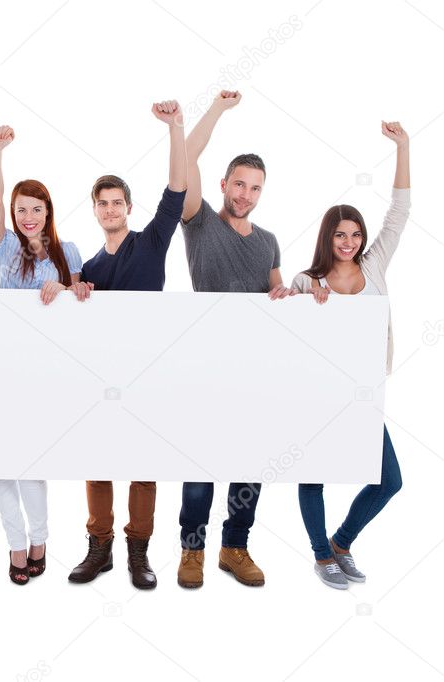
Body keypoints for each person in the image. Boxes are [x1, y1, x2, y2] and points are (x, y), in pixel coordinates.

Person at [63, 100, 187, 590]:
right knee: (96, 462)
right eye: (103, 203)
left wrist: (175, 128)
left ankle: (139, 553)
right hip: (100, 380)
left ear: (128, 209)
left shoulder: (152, 241)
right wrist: (74, 287)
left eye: (118, 202)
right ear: (94, 210)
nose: (111, 209)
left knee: (142, 467)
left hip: (148, 374)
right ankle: (100, 549)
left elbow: (176, 189)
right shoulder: (89, 269)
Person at [176, 91, 289, 590]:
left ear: (262, 194)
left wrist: (284, 293)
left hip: (258, 371)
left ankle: (234, 547)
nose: (244, 194)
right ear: (224, 184)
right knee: (201, 463)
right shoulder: (198, 221)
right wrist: (217, 110)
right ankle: (192, 550)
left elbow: (275, 294)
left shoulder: (267, 242)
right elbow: (186, 160)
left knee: (249, 463)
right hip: (205, 366)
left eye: (254, 188)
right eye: (239, 184)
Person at [289, 121, 409, 589]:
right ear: (328, 237)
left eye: (355, 234)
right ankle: (321, 555)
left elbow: (399, 213)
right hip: (318, 397)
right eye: (340, 235)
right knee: (313, 476)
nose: (349, 242)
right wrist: (293, 298)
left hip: (363, 395)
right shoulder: (306, 281)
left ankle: (341, 542)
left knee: (389, 480)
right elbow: (280, 331)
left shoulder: (374, 265)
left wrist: (402, 146)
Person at [0, 125, 83, 584]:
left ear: (48, 213)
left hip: (43, 374)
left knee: (30, 461)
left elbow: (83, 299)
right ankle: (16, 545)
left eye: (36, 209)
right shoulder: (5, 247)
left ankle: (41, 538)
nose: (28, 217)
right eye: (20, 210)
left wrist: (64, 286)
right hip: (3, 368)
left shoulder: (69, 252)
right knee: (1, 465)